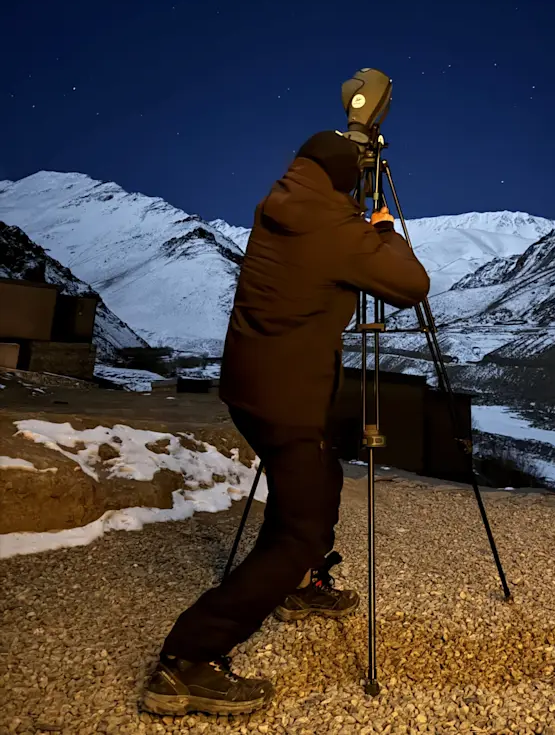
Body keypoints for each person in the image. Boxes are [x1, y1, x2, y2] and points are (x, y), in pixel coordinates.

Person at [142, 130, 430, 716]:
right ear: (347, 179)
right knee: (299, 526)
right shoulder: (336, 227)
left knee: (319, 480)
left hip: (255, 389)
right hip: (289, 399)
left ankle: (300, 584)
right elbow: (411, 285)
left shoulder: (285, 206)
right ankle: (188, 659)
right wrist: (382, 231)